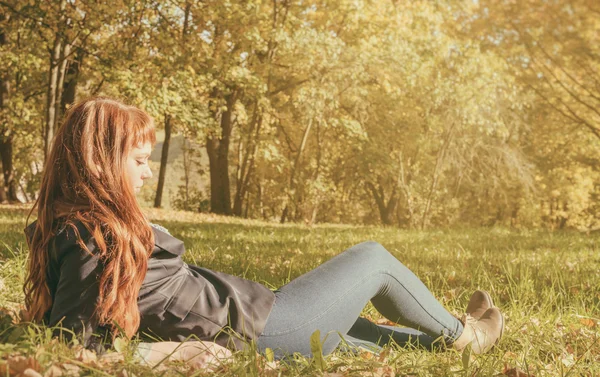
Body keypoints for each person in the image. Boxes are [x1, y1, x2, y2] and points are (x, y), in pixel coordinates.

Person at [23, 97, 504, 367]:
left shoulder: (82, 225)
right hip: (262, 331)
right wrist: (170, 352)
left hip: (254, 313)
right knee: (373, 258)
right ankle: (466, 336)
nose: (147, 174)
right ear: (103, 163)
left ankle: (443, 343)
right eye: (140, 161)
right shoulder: (92, 237)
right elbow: (77, 344)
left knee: (360, 331)